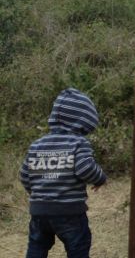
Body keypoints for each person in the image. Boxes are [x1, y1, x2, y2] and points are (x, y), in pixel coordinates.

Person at [19, 88, 107, 258]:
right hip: (69, 212)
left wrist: (38, 193)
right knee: (78, 247)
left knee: (37, 246)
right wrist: (100, 178)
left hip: (39, 212)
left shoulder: (37, 145)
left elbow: (24, 175)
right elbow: (85, 168)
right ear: (85, 120)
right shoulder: (79, 142)